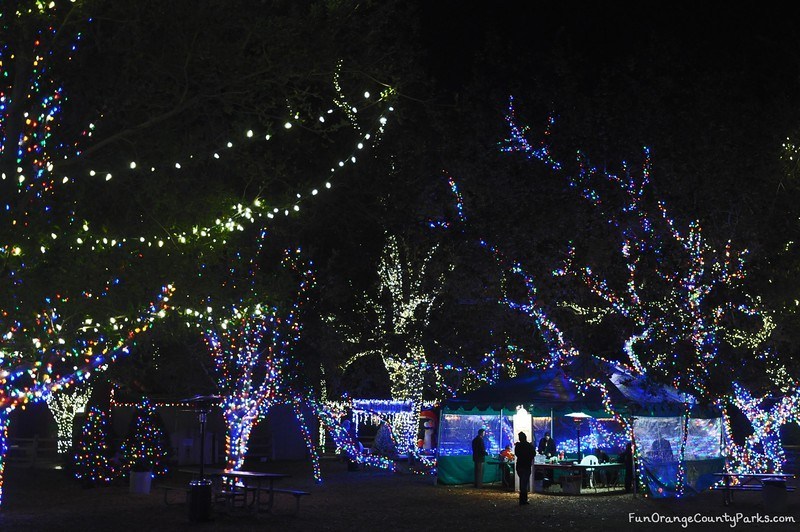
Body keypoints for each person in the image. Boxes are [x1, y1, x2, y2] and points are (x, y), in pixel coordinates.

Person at [514, 432, 535, 505]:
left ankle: (522, 499)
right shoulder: (529, 446)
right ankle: (523, 499)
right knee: (524, 483)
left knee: (522, 482)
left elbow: (517, 454)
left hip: (519, 465)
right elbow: (533, 454)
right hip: (526, 465)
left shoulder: (518, 446)